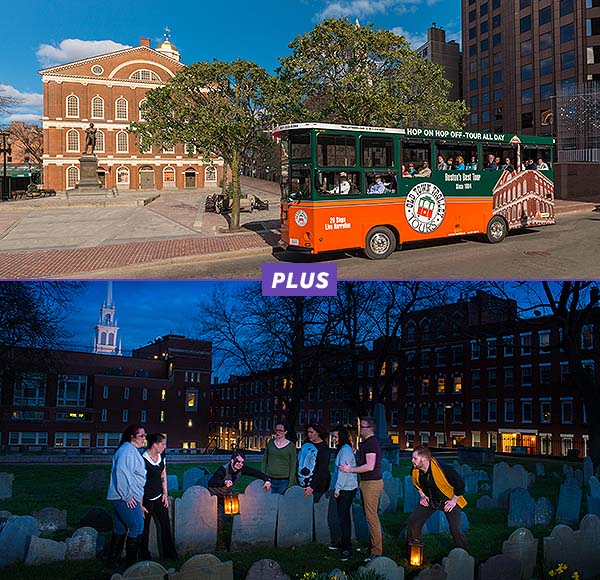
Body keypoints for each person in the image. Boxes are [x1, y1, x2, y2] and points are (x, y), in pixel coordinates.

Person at [407, 445, 468, 553]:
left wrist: (453, 501)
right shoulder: (415, 470)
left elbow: (460, 485)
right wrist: (422, 495)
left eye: (415, 458)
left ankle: (462, 553)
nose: (412, 460)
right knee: (414, 520)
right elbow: (416, 483)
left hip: (447, 500)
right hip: (430, 501)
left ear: (424, 459)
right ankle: (413, 550)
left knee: (456, 529)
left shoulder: (444, 469)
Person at [339, 416, 382, 562]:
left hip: (372, 483)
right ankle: (371, 547)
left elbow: (370, 466)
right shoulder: (367, 443)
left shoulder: (371, 443)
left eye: (362, 427)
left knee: (372, 517)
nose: (359, 429)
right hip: (367, 482)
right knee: (369, 516)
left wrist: (349, 469)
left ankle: (377, 552)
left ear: (369, 428)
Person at [105, 424, 147, 567]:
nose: (144, 438)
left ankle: (112, 561)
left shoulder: (132, 450)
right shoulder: (127, 451)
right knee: (137, 527)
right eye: (141, 435)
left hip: (123, 496)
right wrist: (128, 496)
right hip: (124, 497)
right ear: (132, 436)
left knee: (120, 528)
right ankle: (130, 563)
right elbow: (121, 474)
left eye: (145, 435)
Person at [139, 433, 177, 561]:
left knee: (166, 526)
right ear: (154, 445)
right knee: (144, 529)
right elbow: (138, 483)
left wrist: (165, 494)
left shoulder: (162, 456)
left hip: (159, 497)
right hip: (146, 499)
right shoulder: (142, 459)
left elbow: (163, 475)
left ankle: (170, 554)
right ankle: (144, 556)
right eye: (163, 444)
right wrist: (140, 504)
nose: (165, 447)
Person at [331, 425, 358, 562]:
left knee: (344, 519)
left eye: (335, 436)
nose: (334, 439)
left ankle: (347, 549)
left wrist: (337, 489)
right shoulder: (343, 449)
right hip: (345, 488)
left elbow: (343, 471)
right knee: (343, 518)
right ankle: (344, 542)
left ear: (341, 436)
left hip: (346, 489)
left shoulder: (346, 451)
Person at [297, 422, 331, 503]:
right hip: (302, 482)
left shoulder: (323, 449)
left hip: (317, 486)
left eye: (311, 432)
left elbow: (322, 469)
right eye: (308, 432)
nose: (309, 434)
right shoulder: (306, 443)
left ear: (318, 433)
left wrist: (312, 487)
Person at [262, 421, 297, 494]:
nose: (277, 432)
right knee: (269, 501)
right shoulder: (270, 443)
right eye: (276, 430)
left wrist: (290, 482)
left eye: (280, 430)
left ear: (285, 432)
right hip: (269, 479)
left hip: (284, 481)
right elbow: (265, 460)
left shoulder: (291, 446)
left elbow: (293, 464)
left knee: (280, 502)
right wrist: (263, 476)